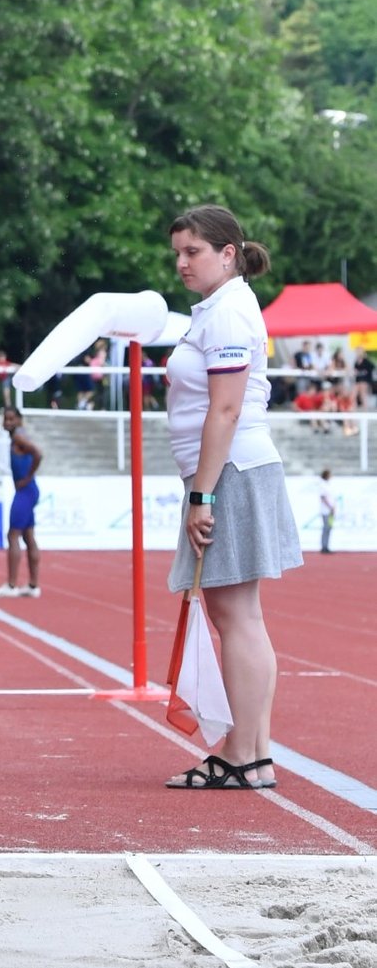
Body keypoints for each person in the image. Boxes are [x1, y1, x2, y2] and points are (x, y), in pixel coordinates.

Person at [164, 204, 303, 790]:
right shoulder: (223, 306)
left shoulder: (227, 312)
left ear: (227, 253)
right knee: (239, 614)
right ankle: (253, 749)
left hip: (230, 472)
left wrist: (203, 494)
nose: (181, 263)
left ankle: (244, 752)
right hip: (231, 469)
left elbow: (225, 408)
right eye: (177, 252)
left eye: (192, 252)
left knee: (237, 615)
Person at [0, 407, 43, 599]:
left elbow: (38, 453)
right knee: (28, 536)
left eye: (12, 419)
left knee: (13, 535)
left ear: (19, 420)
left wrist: (28, 477)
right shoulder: (17, 437)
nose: (8, 422)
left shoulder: (19, 438)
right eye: (6, 419)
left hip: (25, 491)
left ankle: (11, 585)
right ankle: (33, 585)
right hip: (28, 490)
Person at [319, 468, 336, 554]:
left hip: (330, 511)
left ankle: (326, 546)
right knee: (326, 528)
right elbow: (323, 497)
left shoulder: (328, 485)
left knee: (329, 528)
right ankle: (324, 546)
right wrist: (330, 507)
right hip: (326, 511)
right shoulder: (323, 485)